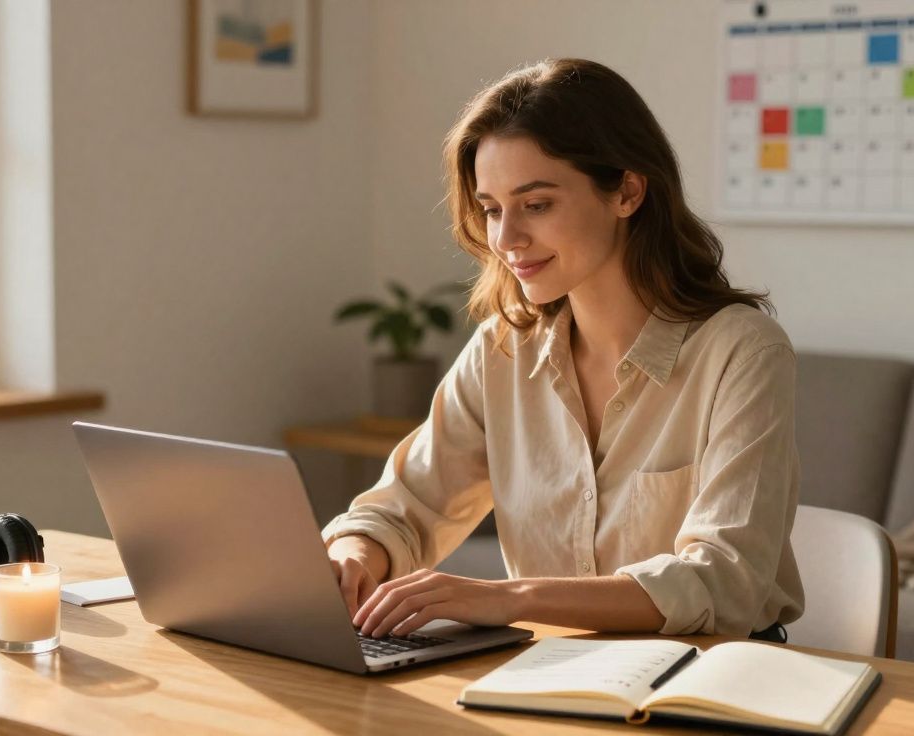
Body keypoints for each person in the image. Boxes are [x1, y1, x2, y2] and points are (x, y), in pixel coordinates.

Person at [323, 58, 803, 643]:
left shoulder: (742, 353)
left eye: (537, 204)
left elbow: (725, 581)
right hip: (549, 670)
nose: (505, 239)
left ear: (627, 191)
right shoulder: (503, 349)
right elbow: (405, 506)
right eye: (492, 209)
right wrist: (353, 554)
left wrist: (509, 597)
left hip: (707, 673)